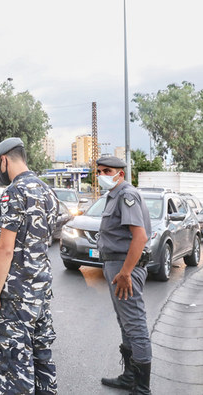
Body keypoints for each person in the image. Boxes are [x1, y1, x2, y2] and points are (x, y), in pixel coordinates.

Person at [0, 137, 59, 395]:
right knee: (41, 357)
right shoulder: (47, 191)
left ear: (4, 160)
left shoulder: (14, 192)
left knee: (14, 366)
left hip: (16, 296)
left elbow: (5, 248)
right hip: (40, 291)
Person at [96, 156, 152, 395]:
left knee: (135, 326)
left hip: (124, 268)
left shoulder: (127, 195)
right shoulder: (114, 196)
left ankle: (141, 388)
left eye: (107, 171)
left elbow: (140, 237)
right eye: (99, 171)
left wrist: (126, 272)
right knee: (125, 324)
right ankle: (130, 376)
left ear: (120, 173)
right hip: (116, 267)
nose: (102, 175)